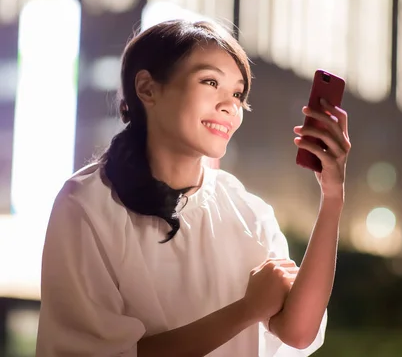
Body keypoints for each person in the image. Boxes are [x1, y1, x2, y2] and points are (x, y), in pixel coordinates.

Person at [35, 19, 351, 356]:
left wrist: (332, 197)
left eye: (237, 93)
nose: (229, 105)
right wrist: (246, 310)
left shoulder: (247, 211)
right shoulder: (87, 205)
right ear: (147, 88)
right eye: (210, 81)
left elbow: (298, 334)